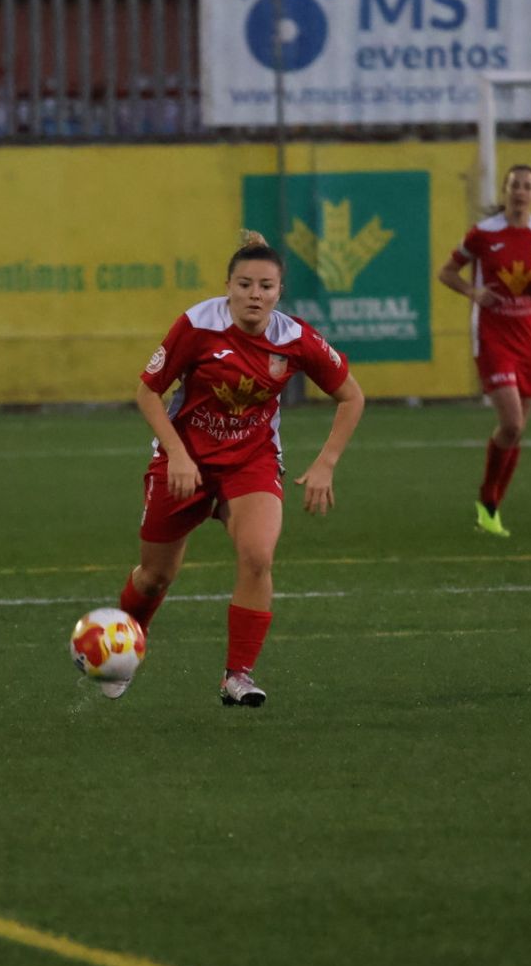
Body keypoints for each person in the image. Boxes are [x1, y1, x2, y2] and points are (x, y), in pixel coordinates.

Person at [115, 231, 365, 706]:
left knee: (258, 555)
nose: (256, 294)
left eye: (266, 286)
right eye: (245, 284)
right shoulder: (197, 325)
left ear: (279, 292)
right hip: (184, 459)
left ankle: (238, 676)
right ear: (227, 286)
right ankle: (124, 649)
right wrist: (178, 455)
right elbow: (148, 392)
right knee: (155, 576)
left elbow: (352, 396)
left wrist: (326, 463)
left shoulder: (296, 338)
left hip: (251, 461)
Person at [437, 164, 531, 537]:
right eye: (514, 185)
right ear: (506, 190)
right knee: (511, 422)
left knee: (517, 429)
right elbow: (446, 272)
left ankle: (489, 509)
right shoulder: (483, 234)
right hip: (493, 336)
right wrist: (474, 293)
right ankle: (487, 498)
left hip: (530, 337)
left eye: (528, 186)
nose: (520, 191)